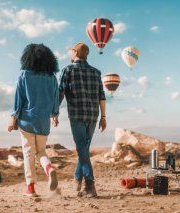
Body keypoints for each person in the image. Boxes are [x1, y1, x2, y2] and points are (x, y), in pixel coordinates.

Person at [7, 43, 59, 197]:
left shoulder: (24, 75)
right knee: (41, 151)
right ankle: (49, 169)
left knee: (28, 153)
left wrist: (12, 119)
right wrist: (54, 115)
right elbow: (55, 99)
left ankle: (31, 189)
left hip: (26, 121)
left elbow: (18, 99)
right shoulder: (52, 78)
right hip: (43, 122)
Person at [55, 42, 106, 198]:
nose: (70, 54)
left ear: (75, 52)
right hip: (93, 115)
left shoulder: (67, 70)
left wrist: (54, 113)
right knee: (83, 149)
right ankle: (77, 180)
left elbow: (60, 93)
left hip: (77, 115)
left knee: (82, 149)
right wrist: (103, 117)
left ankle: (90, 186)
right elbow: (101, 96)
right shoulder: (96, 72)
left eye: (71, 51)